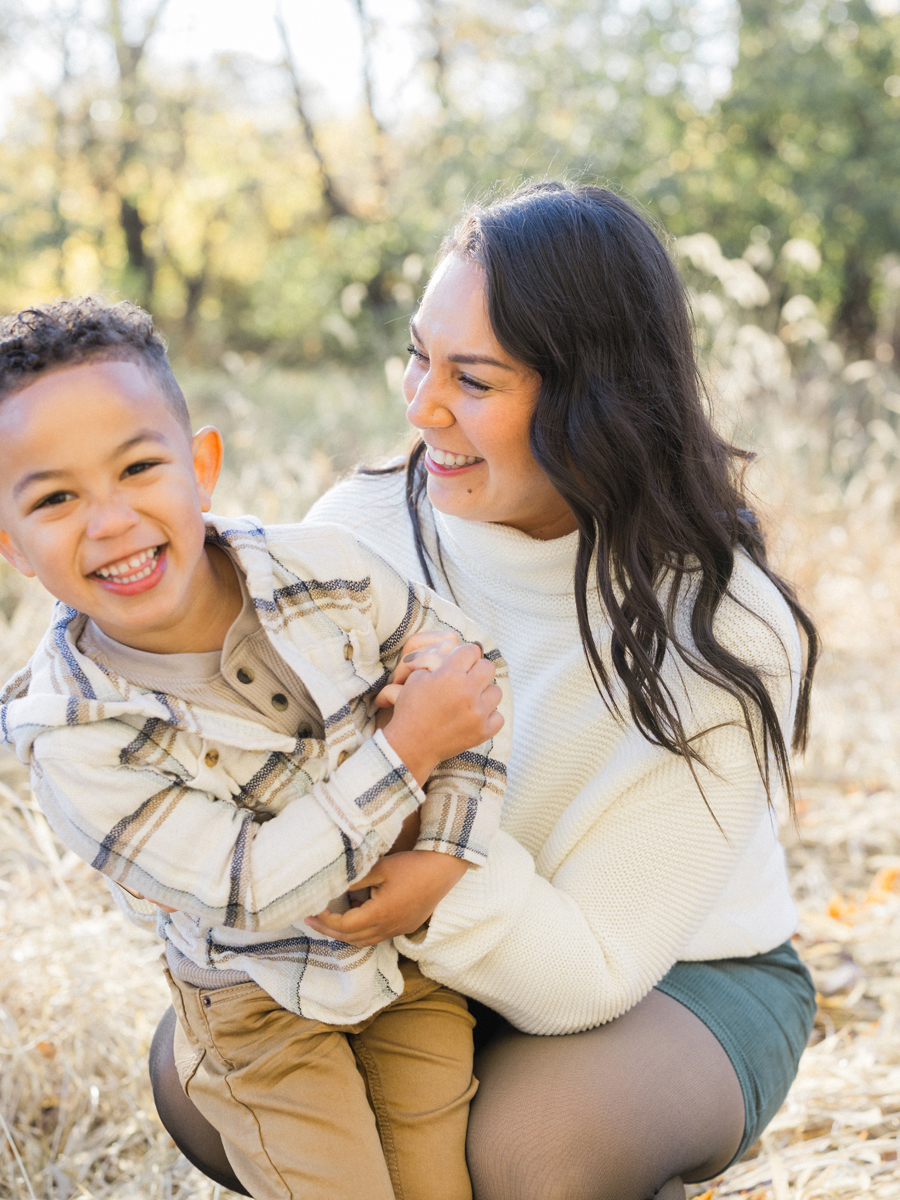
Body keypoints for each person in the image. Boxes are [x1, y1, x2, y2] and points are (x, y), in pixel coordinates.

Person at [150, 181, 819, 1200]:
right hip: (417, 965)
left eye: (474, 378)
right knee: (200, 1074)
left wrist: (443, 880)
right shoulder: (362, 533)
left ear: (596, 397)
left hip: (674, 976)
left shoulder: (725, 628)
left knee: (527, 1154)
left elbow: (593, 970)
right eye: (419, 354)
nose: (421, 407)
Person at [0, 297, 514, 1200]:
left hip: (405, 970)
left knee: (441, 1186)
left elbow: (470, 685)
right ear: (11, 545)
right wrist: (406, 750)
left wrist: (442, 854)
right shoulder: (76, 740)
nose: (112, 520)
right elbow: (250, 886)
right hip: (258, 1010)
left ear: (201, 469)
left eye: (138, 468)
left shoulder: (330, 571)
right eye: (56, 497)